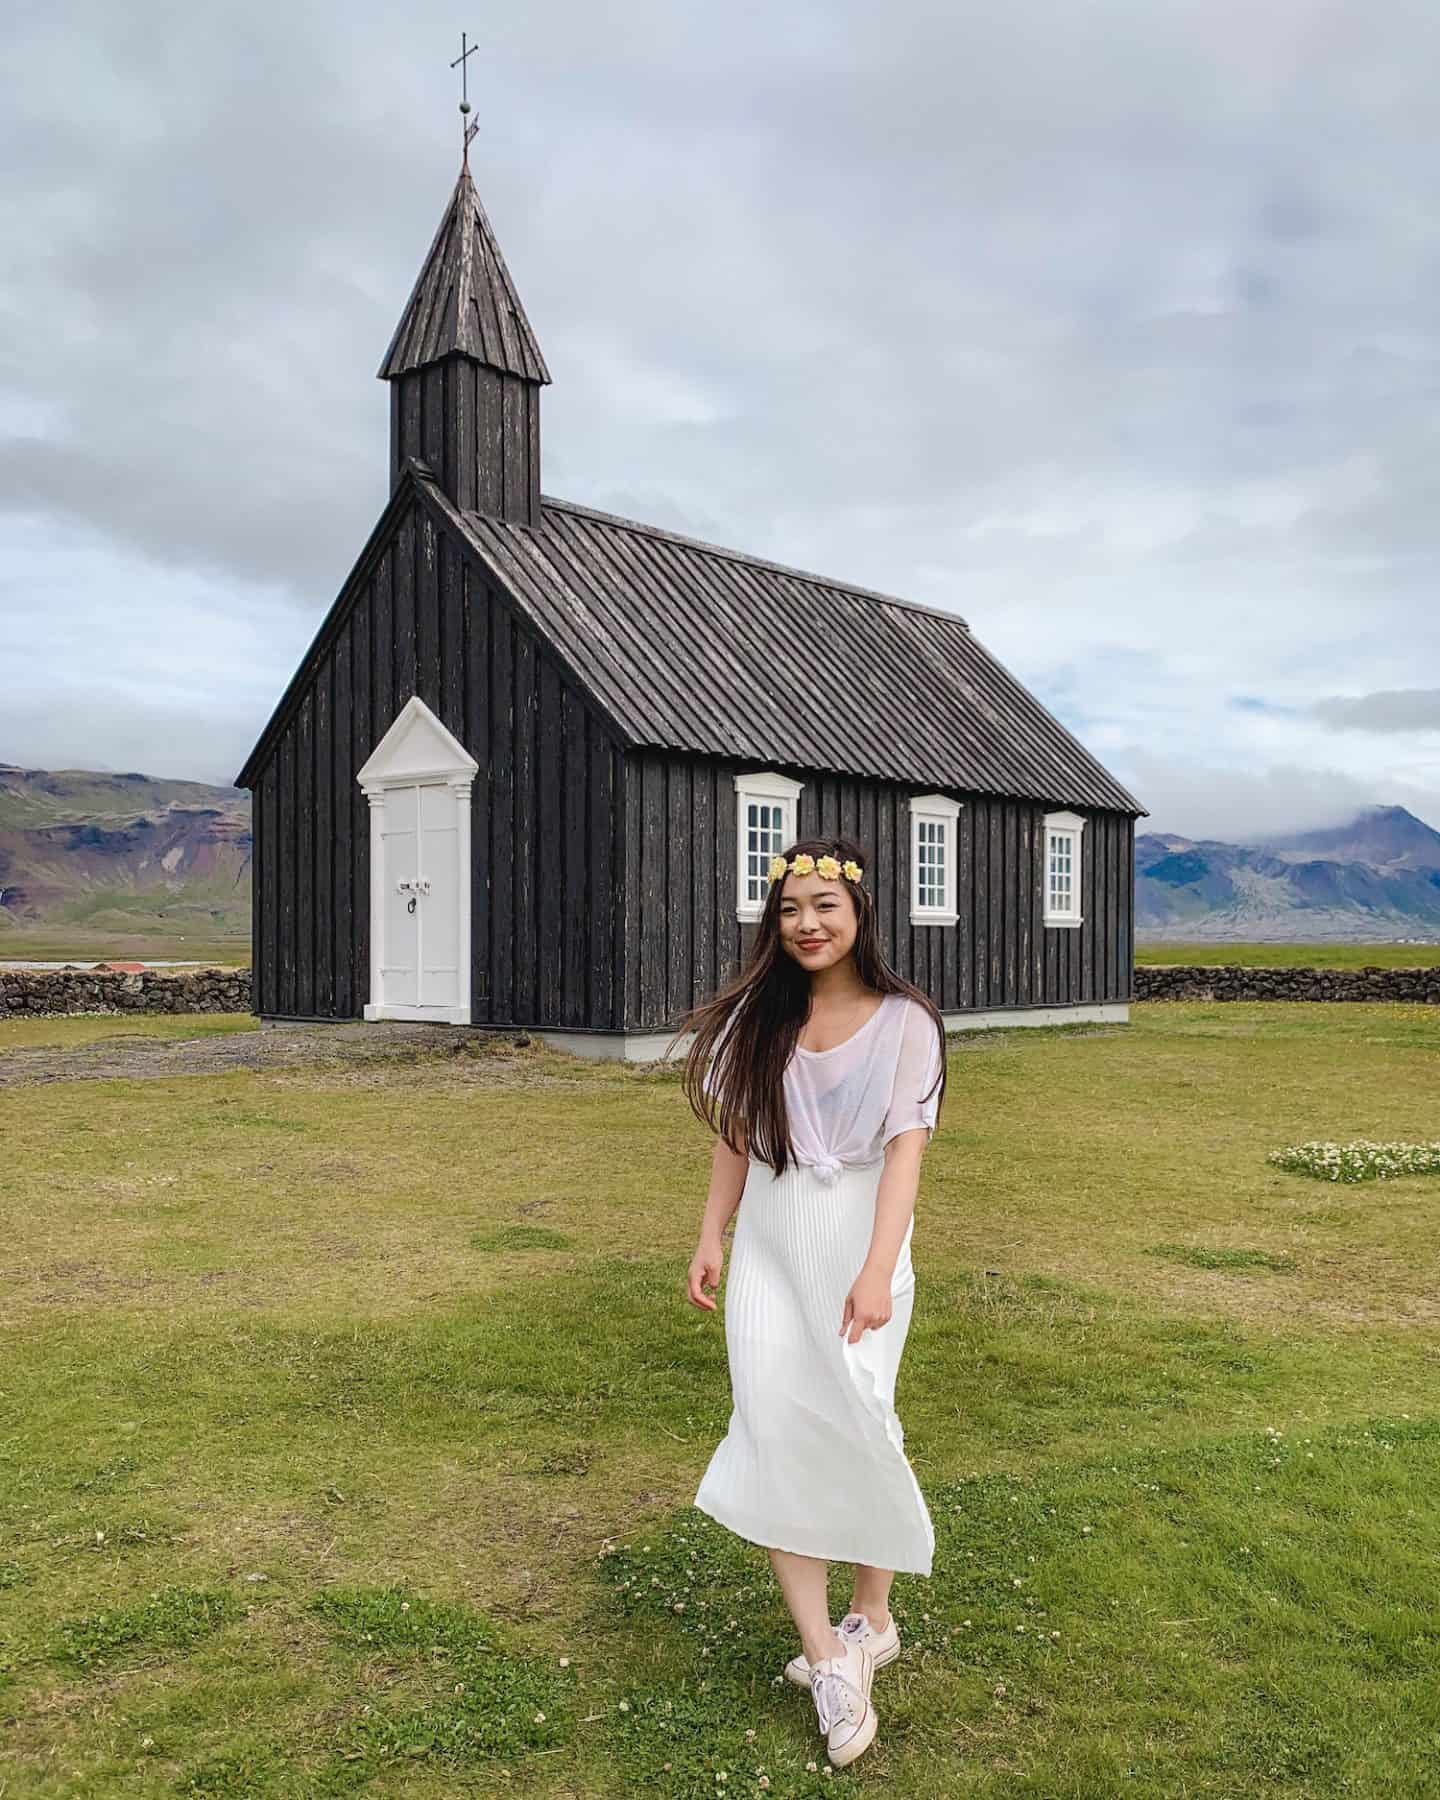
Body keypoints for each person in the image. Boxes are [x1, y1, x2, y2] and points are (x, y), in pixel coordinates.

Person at [673, 835, 946, 1770]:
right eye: (790, 910)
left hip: (860, 1236)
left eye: (825, 908)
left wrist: (877, 1268)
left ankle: (873, 1615)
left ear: (860, 917)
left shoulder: (907, 1021)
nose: (807, 925)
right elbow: (737, 1136)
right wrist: (713, 1233)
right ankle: (828, 1656)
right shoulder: (760, 1016)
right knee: (772, 1422)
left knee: (862, 1413)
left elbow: (907, 1149)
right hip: (773, 1238)